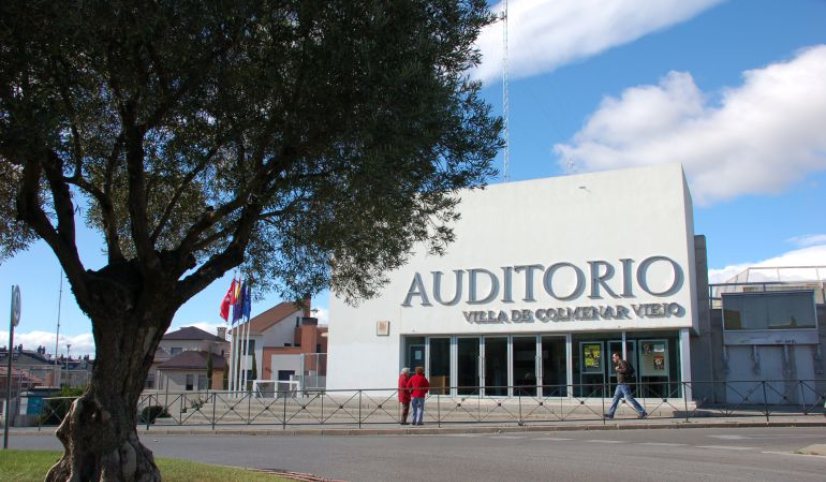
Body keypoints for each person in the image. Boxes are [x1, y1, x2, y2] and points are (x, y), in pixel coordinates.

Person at [604, 352, 647, 419]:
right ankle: (610, 414)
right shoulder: (620, 363)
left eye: (613, 357)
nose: (613, 359)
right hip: (620, 384)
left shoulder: (622, 362)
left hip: (624, 383)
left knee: (629, 398)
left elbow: (625, 370)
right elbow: (630, 370)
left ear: (617, 357)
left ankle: (642, 412)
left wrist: (618, 369)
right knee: (615, 398)